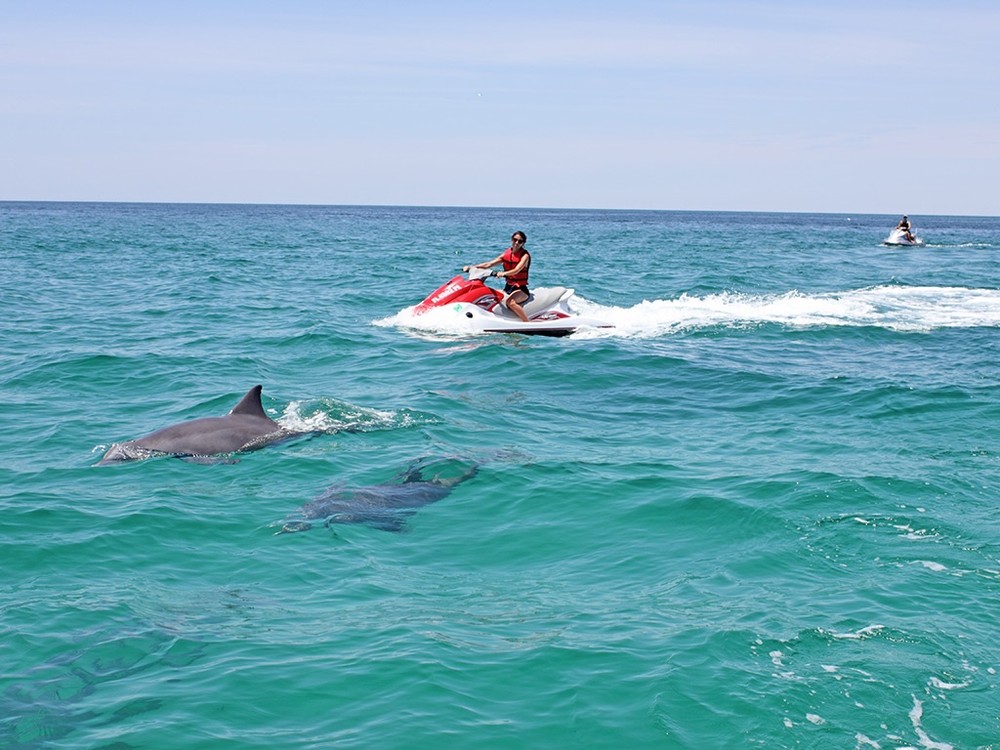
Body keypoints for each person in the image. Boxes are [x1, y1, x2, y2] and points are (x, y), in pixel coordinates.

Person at [462, 231, 532, 322]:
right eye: (515, 240)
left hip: (521, 289)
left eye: (520, 241)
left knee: (510, 302)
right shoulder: (507, 254)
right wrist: (472, 267)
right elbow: (489, 264)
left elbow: (517, 270)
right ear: (512, 239)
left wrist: (503, 273)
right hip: (508, 287)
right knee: (489, 295)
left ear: (523, 243)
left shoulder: (525, 256)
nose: (516, 243)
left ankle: (527, 323)